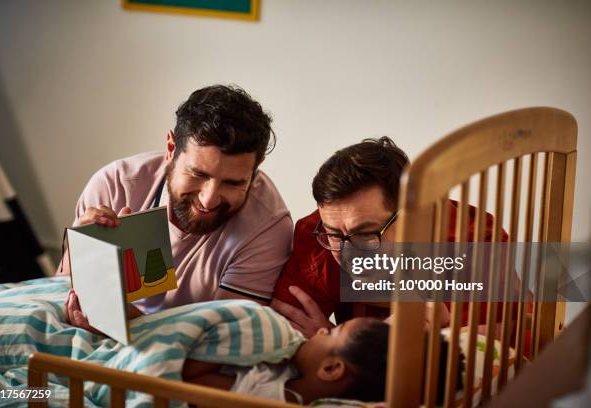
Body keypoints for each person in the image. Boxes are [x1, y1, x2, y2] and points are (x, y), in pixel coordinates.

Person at [60, 85, 293, 326]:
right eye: (198, 174)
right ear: (171, 149)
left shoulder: (269, 227)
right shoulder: (115, 186)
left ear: (255, 170)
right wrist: (80, 261)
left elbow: (226, 337)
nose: (208, 199)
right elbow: (56, 296)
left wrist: (132, 320)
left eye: (233, 183)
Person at [270, 137, 506, 338]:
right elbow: (284, 331)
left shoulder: (476, 241)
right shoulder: (317, 236)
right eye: (334, 235)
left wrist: (337, 345)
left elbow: (487, 350)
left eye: (364, 234)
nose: (347, 253)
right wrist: (343, 344)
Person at [183, 317, 464, 404]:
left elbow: (190, 380)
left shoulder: (260, 392)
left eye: (330, 332)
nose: (319, 330)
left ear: (331, 368)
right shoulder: (288, 381)